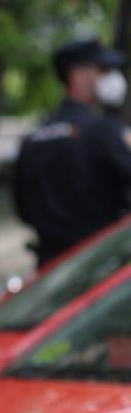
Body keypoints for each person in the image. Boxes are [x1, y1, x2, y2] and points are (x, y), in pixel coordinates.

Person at [14, 38, 131, 264]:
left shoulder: (34, 137)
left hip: (51, 269)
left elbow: (23, 211)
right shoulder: (103, 132)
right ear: (76, 75)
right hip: (97, 265)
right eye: (102, 70)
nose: (110, 77)